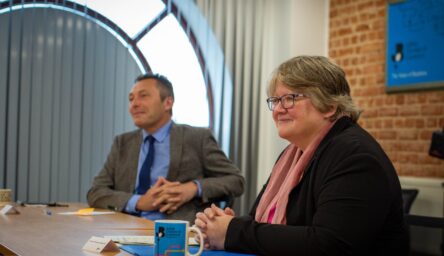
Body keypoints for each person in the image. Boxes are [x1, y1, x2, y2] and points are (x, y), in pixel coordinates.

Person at [195, 56, 409, 255]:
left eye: (290, 98)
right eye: (275, 100)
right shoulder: (292, 154)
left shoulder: (355, 157)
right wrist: (226, 226)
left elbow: (328, 244)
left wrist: (235, 231)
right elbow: (259, 222)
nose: (278, 109)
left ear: (329, 106)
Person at [87, 73, 244, 223]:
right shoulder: (122, 143)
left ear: (167, 103)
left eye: (143, 96)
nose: (134, 104)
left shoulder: (197, 138)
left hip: (177, 232)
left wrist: (193, 188)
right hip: (125, 226)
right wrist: (138, 202)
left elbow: (236, 181)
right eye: (131, 98)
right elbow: (96, 192)